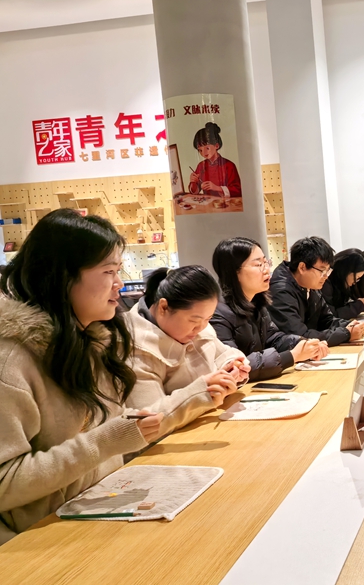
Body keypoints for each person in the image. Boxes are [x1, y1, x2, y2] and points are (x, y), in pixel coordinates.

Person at [0, 209, 162, 545]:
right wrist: (104, 442)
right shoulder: (11, 360)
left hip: (100, 520)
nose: (119, 283)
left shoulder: (91, 340)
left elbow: (112, 439)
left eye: (119, 269)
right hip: (42, 544)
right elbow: (4, 485)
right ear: (62, 277)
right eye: (108, 271)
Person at [125, 266, 250, 435]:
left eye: (208, 319)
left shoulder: (197, 325)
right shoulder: (135, 347)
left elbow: (223, 353)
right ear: (163, 307)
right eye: (194, 321)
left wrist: (232, 367)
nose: (201, 327)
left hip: (209, 427)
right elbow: (148, 422)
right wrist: (202, 393)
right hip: (173, 443)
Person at [211, 237, 327, 381]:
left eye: (266, 262)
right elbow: (234, 366)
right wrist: (292, 356)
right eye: (258, 264)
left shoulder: (257, 303)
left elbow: (273, 338)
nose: (267, 270)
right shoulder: (217, 313)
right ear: (233, 271)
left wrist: (303, 343)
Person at [268, 237, 364, 345]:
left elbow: (326, 320)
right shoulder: (281, 291)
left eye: (328, 270)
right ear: (302, 267)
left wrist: (349, 325)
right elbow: (299, 336)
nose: (326, 276)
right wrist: (346, 334)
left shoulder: (310, 285)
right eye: (322, 270)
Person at [188, 122, 242, 198]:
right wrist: (193, 182)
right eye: (200, 150)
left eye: (207, 148)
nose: (204, 153)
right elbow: (195, 191)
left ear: (216, 145)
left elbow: (238, 190)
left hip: (226, 202)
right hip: (207, 202)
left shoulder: (229, 165)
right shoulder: (201, 165)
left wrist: (217, 188)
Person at [321, 248, 364, 319]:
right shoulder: (326, 283)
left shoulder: (340, 284)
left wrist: (362, 305)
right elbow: (331, 316)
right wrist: (358, 306)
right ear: (346, 271)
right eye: (356, 278)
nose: (354, 283)